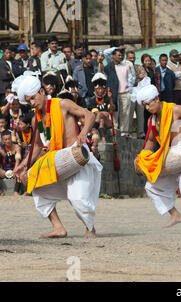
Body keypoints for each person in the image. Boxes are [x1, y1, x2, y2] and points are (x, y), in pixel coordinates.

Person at [12, 73, 103, 238]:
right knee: (37, 187)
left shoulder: (63, 104)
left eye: (33, 98)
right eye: (28, 100)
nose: (32, 103)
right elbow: (38, 145)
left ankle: (90, 228)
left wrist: (83, 133)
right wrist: (23, 165)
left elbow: (89, 115)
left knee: (78, 200)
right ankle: (58, 228)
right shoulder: (35, 120)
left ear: (41, 91)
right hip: (57, 160)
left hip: (75, 156)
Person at [133, 78, 181, 234]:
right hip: (169, 157)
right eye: (145, 105)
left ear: (157, 98)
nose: (148, 108)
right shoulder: (152, 120)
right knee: (151, 187)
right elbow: (150, 142)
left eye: (149, 104)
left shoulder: (175, 109)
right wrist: (142, 157)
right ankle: (175, 215)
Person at [104, 48, 134, 137]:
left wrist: (129, 88)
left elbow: (130, 78)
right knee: (114, 113)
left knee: (125, 113)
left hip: (125, 93)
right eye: (118, 55)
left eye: (121, 55)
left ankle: (124, 132)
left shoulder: (126, 66)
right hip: (114, 94)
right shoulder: (109, 67)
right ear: (113, 56)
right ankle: (115, 131)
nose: (120, 57)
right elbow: (106, 53)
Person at [86, 73, 114, 143]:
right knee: (101, 120)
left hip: (108, 122)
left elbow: (110, 111)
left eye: (102, 89)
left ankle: (93, 128)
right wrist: (102, 113)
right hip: (100, 121)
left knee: (100, 115)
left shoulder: (107, 98)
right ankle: (103, 139)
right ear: (95, 90)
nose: (100, 91)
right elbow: (95, 113)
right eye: (98, 89)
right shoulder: (92, 100)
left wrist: (110, 99)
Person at [126, 51, 146, 139]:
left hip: (139, 93)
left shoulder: (138, 67)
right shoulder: (123, 68)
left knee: (140, 113)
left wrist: (135, 80)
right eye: (130, 58)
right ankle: (128, 132)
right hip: (129, 94)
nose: (132, 60)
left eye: (133, 58)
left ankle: (140, 133)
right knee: (129, 114)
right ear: (126, 58)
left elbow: (144, 75)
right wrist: (137, 79)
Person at [0, 130, 23, 195]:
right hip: (4, 171)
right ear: (2, 140)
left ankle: (16, 192)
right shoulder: (1, 148)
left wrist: (15, 170)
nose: (8, 141)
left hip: (14, 169)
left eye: (9, 139)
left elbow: (18, 159)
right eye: (5, 139)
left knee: (18, 172)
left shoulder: (16, 147)